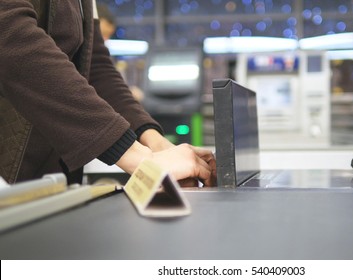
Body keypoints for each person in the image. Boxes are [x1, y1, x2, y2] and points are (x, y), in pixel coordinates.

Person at [0, 0, 216, 187]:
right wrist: (139, 159)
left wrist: (156, 145)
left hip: (46, 174)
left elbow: (94, 66)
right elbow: (9, 36)